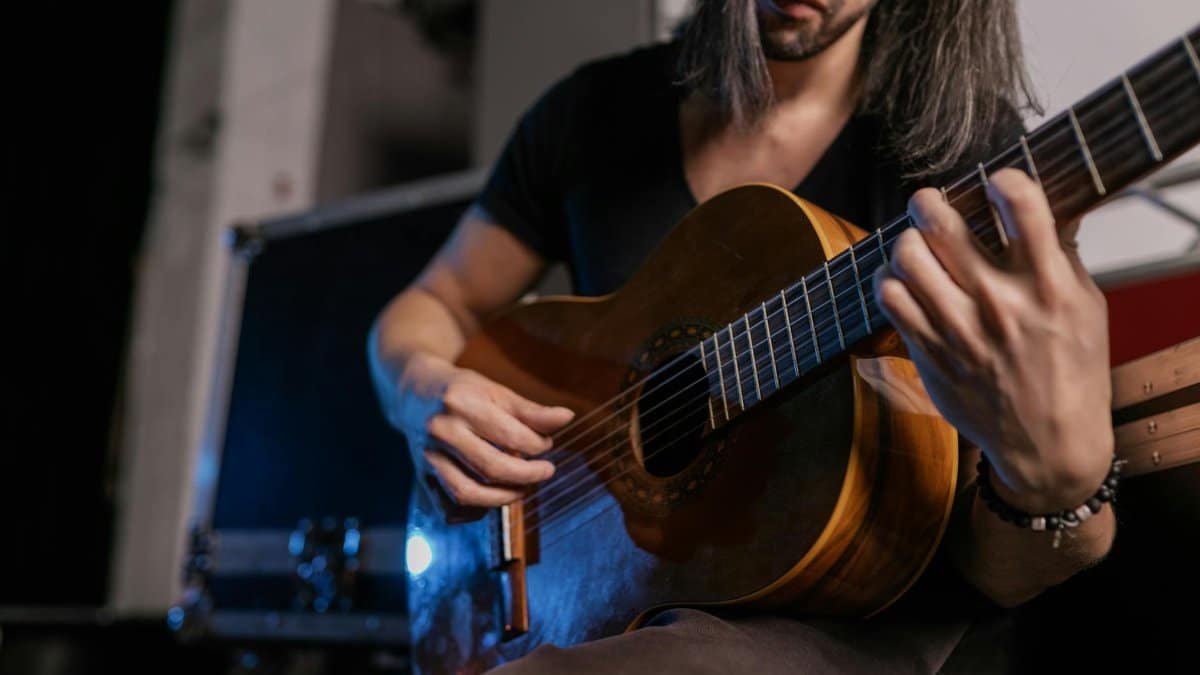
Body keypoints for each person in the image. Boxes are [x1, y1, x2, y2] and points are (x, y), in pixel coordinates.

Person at [368, 1, 1117, 672]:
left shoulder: (962, 148)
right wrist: (419, 391)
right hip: (610, 605)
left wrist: (1055, 481)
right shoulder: (592, 113)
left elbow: (1010, 561)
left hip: (853, 620)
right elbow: (436, 299)